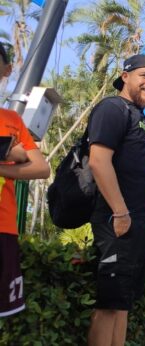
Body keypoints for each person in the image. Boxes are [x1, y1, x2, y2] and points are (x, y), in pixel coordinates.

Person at [87, 54, 145, 345]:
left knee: (123, 302)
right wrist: (120, 212)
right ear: (125, 76)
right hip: (117, 219)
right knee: (109, 304)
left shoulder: (138, 118)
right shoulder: (112, 108)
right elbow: (98, 161)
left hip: (138, 222)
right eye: (144, 76)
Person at [0, 42, 51, 318]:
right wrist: (11, 152)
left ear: (7, 70)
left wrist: (6, 163)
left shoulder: (11, 120)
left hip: (3, 226)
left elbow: (41, 168)